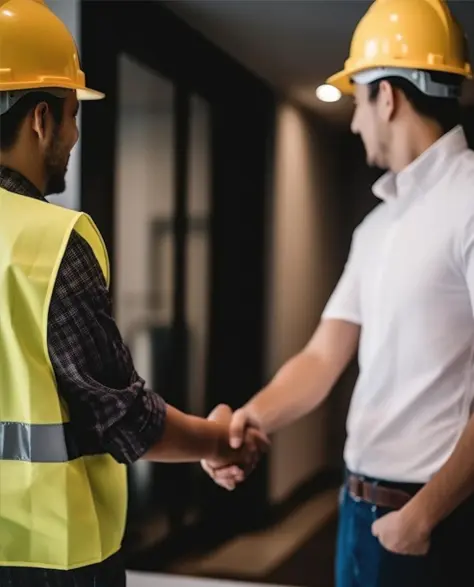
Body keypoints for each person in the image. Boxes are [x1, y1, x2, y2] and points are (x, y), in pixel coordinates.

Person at [202, 0, 474, 585]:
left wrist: (424, 515)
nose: (354, 122)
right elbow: (324, 356)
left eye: (358, 100)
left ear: (389, 96)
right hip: (356, 509)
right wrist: (248, 419)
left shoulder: (471, 200)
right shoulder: (377, 227)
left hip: (432, 517)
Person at [0, 1, 268, 586]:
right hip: (46, 559)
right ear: (40, 119)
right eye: (73, 114)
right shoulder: (48, 243)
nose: (73, 134)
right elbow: (123, 417)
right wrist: (219, 441)